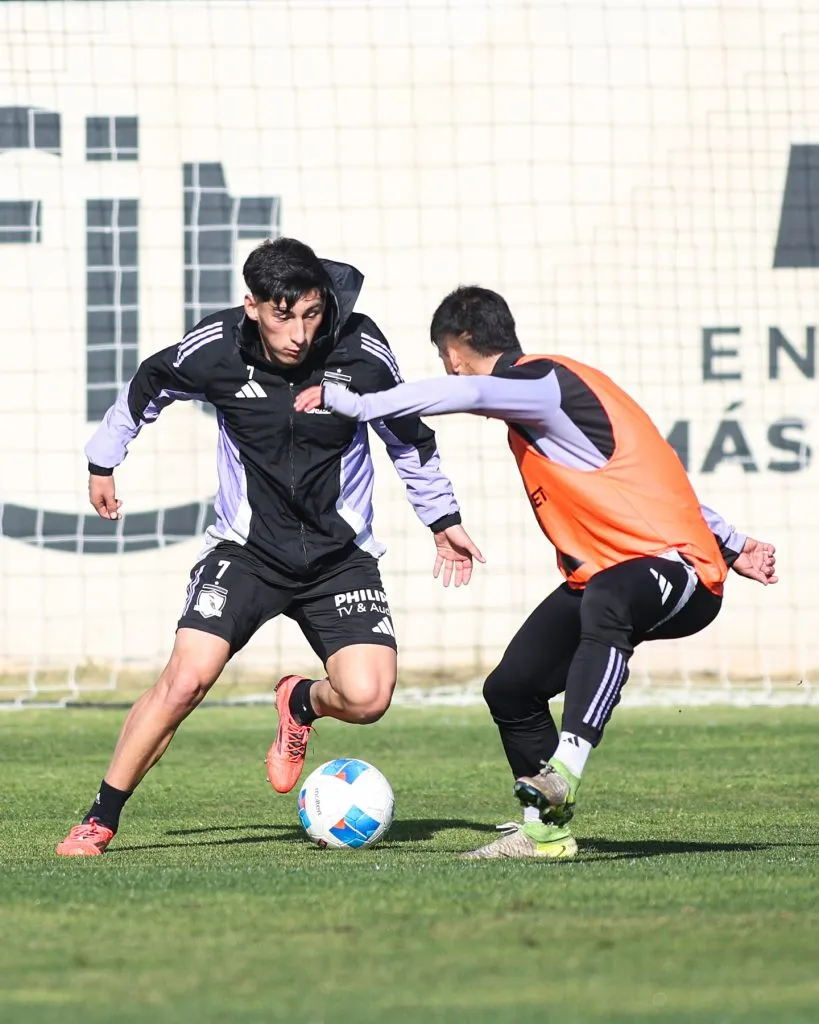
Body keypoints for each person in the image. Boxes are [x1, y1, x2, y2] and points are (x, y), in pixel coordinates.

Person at [294, 285, 778, 860]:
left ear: (457, 346)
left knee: (607, 598)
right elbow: (649, 483)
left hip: (681, 573)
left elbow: (468, 389)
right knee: (513, 689)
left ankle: (563, 773)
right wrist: (736, 541)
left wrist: (359, 403)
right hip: (617, 570)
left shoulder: (543, 383)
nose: (447, 366)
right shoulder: (559, 397)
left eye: (445, 354)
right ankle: (544, 831)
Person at [56, 239, 483, 857]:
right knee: (184, 682)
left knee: (368, 699)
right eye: (284, 317)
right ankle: (100, 818)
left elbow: (407, 433)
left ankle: (299, 700)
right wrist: (103, 459)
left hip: (339, 559)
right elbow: (148, 383)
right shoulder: (216, 348)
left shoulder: (359, 347)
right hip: (247, 552)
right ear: (251, 305)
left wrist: (441, 517)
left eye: (311, 314)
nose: (299, 334)